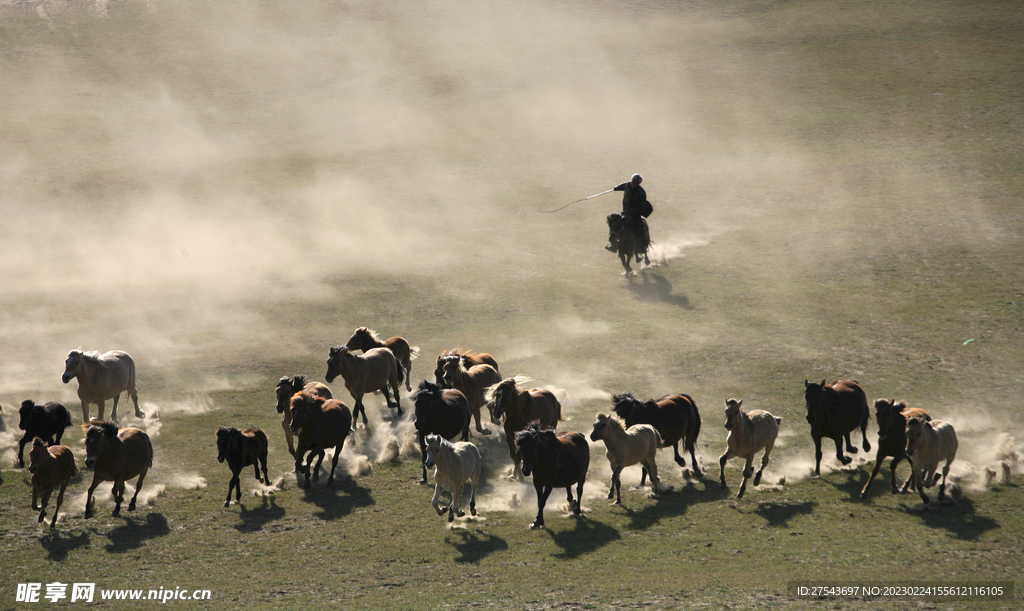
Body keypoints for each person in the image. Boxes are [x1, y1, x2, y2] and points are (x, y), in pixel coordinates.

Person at [605, 173, 651, 253]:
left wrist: (631, 211)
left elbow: (641, 206)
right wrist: (615, 188)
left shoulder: (641, 193)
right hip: (625, 213)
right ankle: (613, 245)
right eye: (633, 181)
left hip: (635, 215)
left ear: (639, 183)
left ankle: (640, 247)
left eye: (636, 182)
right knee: (614, 224)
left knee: (639, 229)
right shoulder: (628, 185)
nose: (633, 183)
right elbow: (623, 186)